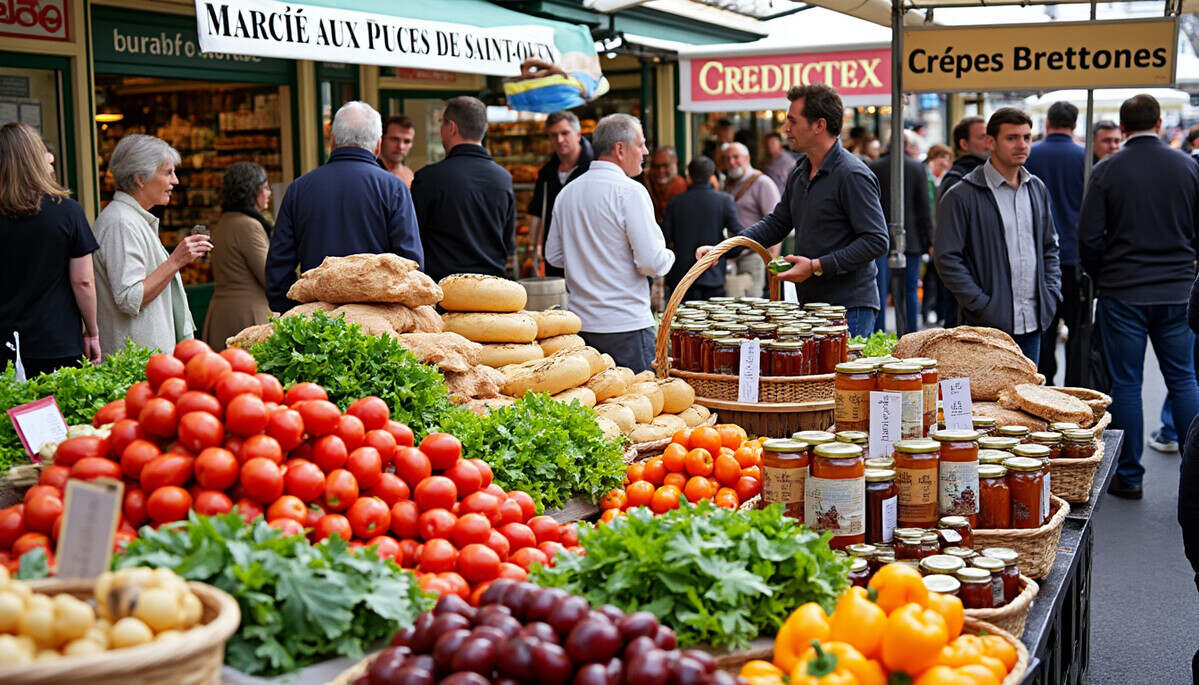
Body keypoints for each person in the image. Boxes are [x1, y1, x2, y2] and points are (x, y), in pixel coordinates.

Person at [1078, 93, 1199, 499]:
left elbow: (1089, 238)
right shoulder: (1187, 165)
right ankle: (1194, 471)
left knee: (1125, 383)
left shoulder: (1107, 170)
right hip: (1178, 289)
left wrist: (1105, 274)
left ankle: (1129, 474)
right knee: (1183, 378)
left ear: (1123, 128)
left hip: (1124, 290)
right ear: (1160, 123)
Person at [699, 84, 888, 337]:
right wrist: (724, 248)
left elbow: (876, 241)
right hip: (809, 305)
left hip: (849, 309)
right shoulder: (800, 170)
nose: (785, 129)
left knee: (839, 378)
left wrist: (816, 266)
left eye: (792, 121)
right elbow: (777, 223)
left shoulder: (852, 174)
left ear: (819, 125)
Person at [266, 101, 422, 313]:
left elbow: (278, 268)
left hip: (315, 322)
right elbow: (411, 264)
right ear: (378, 144)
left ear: (332, 141)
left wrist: (296, 314)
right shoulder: (394, 188)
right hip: (379, 324)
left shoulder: (298, 189)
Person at [546, 114, 674, 372]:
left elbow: (554, 256)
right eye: (641, 144)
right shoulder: (630, 191)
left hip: (582, 327)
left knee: (596, 410)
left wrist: (586, 257)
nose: (645, 152)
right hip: (627, 326)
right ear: (620, 148)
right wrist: (670, 255)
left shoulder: (567, 192)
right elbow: (652, 262)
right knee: (638, 407)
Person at [934, 107, 1061, 364]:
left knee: (1027, 399)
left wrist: (1050, 292)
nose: (1022, 145)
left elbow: (1049, 246)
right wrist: (981, 305)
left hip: (1033, 321)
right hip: (987, 326)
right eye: (1011, 137)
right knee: (987, 402)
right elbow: (947, 258)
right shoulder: (963, 194)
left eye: (1026, 137)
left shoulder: (1036, 188)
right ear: (991, 142)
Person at [93, 134, 211, 357]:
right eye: (168, 173)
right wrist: (176, 260)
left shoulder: (129, 219)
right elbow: (130, 298)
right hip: (136, 366)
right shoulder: (121, 223)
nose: (175, 181)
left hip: (143, 361)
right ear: (140, 178)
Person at [0, 123, 100, 375]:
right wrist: (92, 330)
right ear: (35, 158)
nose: (51, 157)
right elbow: (84, 282)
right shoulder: (68, 211)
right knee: (57, 413)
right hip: (56, 342)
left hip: (4, 343)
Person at [412, 96, 515, 283]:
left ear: (451, 127)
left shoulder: (428, 179)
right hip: (492, 291)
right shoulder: (504, 179)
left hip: (445, 294)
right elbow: (508, 244)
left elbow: (414, 241)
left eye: (442, 125)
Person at [1025, 101, 1085, 386]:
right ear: (1074, 125)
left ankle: (1043, 384)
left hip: (1037, 257)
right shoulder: (1086, 157)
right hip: (1075, 256)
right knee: (1078, 329)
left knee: (1043, 330)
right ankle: (1074, 388)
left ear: (1047, 123)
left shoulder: (1030, 155)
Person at [202, 162, 273, 352]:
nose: (269, 193)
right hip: (247, 318)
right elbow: (269, 276)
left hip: (221, 315)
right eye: (265, 187)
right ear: (252, 191)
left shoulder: (224, 222)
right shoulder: (249, 225)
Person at [869, 130, 933, 334]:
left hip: (878, 238)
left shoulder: (874, 166)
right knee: (910, 291)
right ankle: (910, 334)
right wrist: (929, 240)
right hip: (910, 239)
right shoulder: (916, 168)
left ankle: (877, 335)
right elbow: (924, 207)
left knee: (879, 289)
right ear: (907, 144)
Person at [933, 116, 991, 327]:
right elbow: (948, 248)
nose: (989, 141)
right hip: (966, 290)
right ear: (963, 143)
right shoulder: (957, 181)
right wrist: (974, 297)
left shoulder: (991, 175)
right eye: (982, 137)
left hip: (983, 288)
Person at [662, 156, 740, 301]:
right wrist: (721, 255)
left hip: (682, 276)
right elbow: (739, 237)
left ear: (689, 177)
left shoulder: (676, 203)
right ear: (711, 176)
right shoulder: (724, 201)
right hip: (713, 273)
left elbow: (665, 239)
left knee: (682, 321)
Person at [528, 111, 593, 279]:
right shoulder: (546, 173)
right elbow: (537, 212)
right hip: (554, 257)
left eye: (565, 133)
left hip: (589, 255)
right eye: (553, 135)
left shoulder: (594, 167)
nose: (559, 140)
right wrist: (532, 251)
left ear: (578, 135)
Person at [724, 142, 782, 297]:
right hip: (731, 257)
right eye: (728, 158)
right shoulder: (728, 184)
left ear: (747, 158)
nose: (731, 162)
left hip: (754, 257)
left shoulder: (763, 183)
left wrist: (772, 264)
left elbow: (776, 224)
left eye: (736, 157)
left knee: (752, 307)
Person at [644, 146, 687, 226]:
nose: (661, 171)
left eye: (665, 165)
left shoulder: (681, 185)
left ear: (675, 162)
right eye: (656, 166)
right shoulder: (646, 183)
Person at [379, 115, 416, 187]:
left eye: (407, 141)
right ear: (382, 139)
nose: (400, 146)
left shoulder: (410, 177)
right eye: (394, 139)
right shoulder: (369, 172)